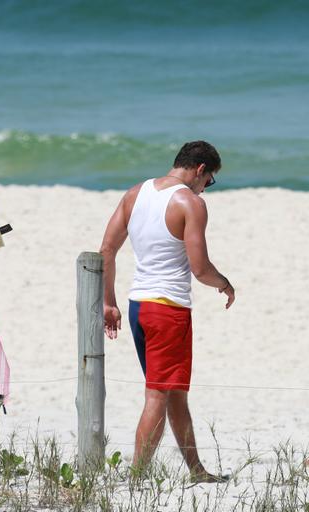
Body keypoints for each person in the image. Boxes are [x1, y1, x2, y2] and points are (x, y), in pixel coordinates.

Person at [99, 140, 235, 483]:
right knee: (157, 394)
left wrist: (108, 301)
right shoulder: (191, 203)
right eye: (209, 181)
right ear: (200, 170)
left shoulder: (135, 193)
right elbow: (200, 268)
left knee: (174, 392)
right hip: (169, 310)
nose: (206, 188)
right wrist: (225, 283)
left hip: (137, 307)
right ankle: (135, 477)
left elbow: (106, 250)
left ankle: (197, 470)